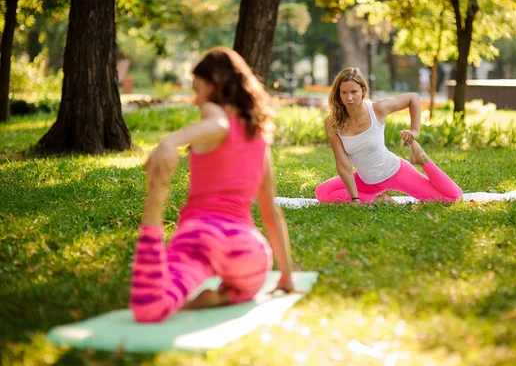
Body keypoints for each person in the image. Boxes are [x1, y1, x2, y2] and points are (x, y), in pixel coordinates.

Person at [130, 47, 295, 323]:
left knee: (150, 308)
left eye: (198, 90)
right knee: (244, 287)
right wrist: (286, 276)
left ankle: (154, 214)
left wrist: (170, 141)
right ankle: (224, 296)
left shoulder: (213, 112)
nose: (196, 102)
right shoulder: (259, 137)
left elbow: (219, 124)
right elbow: (270, 213)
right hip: (250, 254)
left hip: (203, 238)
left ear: (215, 84)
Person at [314, 68, 462, 205]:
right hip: (366, 180)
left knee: (452, 198)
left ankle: (422, 159)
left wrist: (415, 131)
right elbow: (343, 163)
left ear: (363, 90)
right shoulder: (333, 121)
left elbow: (413, 98)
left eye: (354, 92)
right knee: (322, 192)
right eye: (344, 93)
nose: (349, 98)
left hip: (394, 172)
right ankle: (380, 199)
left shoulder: (377, 109)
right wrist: (355, 198)